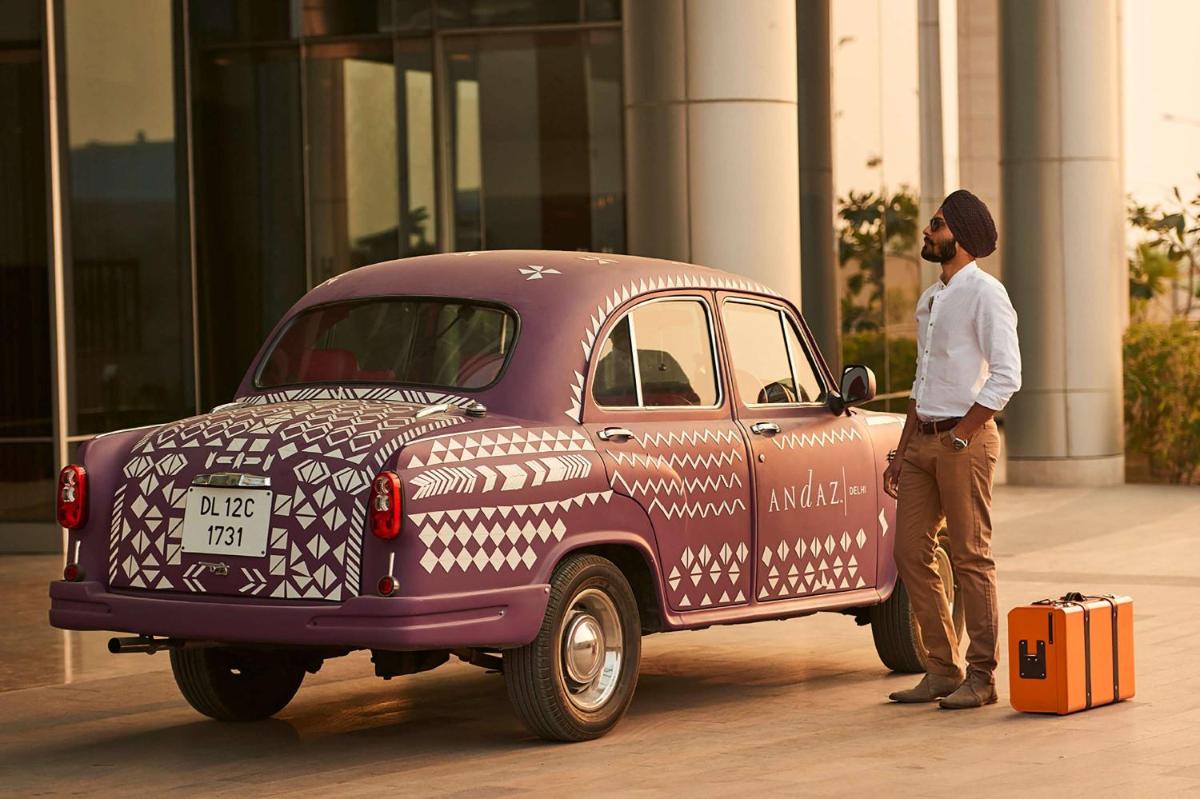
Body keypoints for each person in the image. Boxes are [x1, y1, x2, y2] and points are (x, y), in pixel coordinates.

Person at [882, 189, 1021, 710]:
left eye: (936, 224)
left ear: (958, 235)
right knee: (909, 552)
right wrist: (901, 450)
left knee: (969, 556)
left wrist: (963, 432)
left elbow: (1007, 376)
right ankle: (942, 669)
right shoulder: (932, 298)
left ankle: (982, 677)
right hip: (922, 441)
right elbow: (923, 381)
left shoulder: (986, 294)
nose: (927, 232)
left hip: (966, 440)